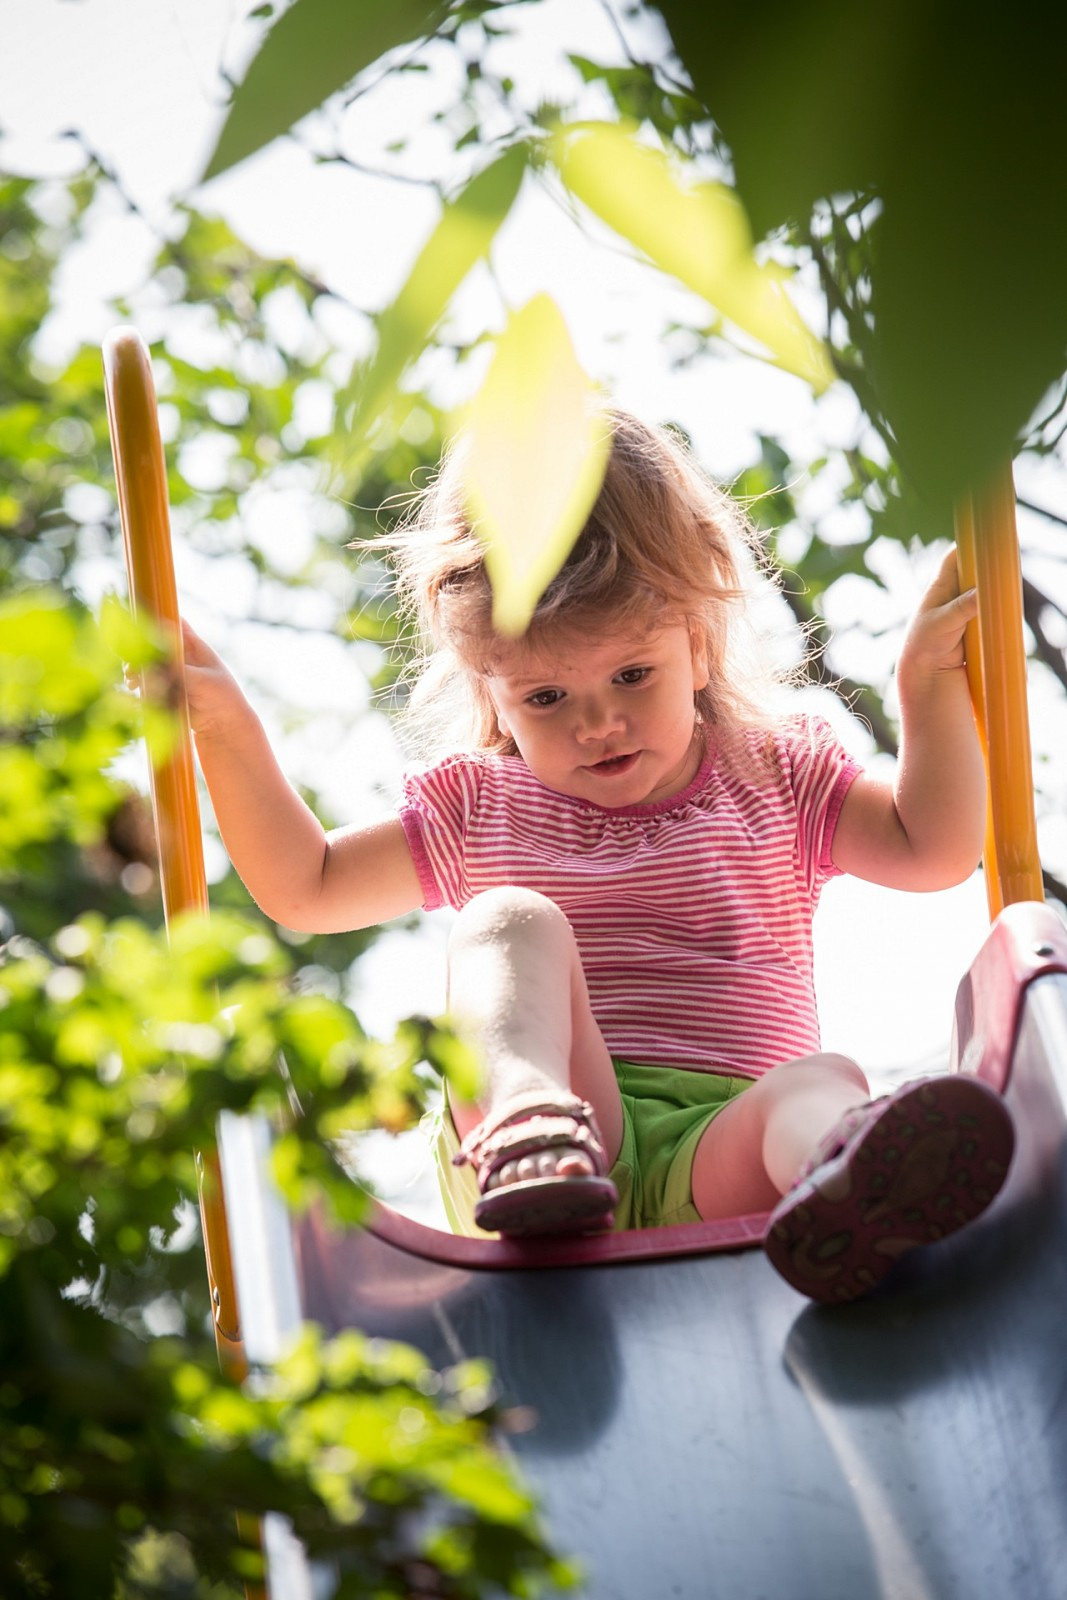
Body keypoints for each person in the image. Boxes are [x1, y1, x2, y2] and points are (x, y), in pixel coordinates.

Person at [180, 409, 1015, 1304]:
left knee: (819, 1086)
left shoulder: (772, 776)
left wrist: (927, 690)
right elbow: (305, 887)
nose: (595, 722)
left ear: (696, 642)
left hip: (718, 1154)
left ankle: (858, 1188)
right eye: (545, 695)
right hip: (542, 1152)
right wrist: (226, 730)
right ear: (492, 697)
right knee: (507, 918)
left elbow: (930, 849)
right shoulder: (482, 805)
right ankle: (528, 1122)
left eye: (630, 675)